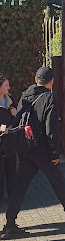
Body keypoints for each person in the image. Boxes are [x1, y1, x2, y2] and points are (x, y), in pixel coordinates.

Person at [0, 67, 65, 239]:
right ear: (51, 81)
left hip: (26, 149)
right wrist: (54, 153)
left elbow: (17, 119)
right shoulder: (49, 98)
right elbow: (51, 128)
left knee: (20, 186)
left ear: (35, 78)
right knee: (58, 182)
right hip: (43, 151)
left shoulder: (25, 95)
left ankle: (10, 223)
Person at [0, 74, 17, 204]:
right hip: (1, 141)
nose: (9, 88)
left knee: (12, 169)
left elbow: (17, 118)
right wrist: (2, 129)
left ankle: (13, 196)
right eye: (6, 85)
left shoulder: (10, 100)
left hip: (10, 141)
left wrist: (15, 112)